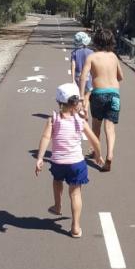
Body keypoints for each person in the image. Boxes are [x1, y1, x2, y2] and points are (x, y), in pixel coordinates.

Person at [35, 83, 103, 238]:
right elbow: (95, 141)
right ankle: (75, 227)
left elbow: (46, 137)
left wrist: (40, 158)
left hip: (58, 162)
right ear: (76, 102)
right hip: (76, 163)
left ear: (59, 102)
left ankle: (58, 205)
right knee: (75, 193)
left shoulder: (53, 119)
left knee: (57, 180)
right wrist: (98, 155)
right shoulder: (80, 121)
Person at [79, 26, 124, 172]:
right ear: (111, 42)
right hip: (115, 95)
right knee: (110, 128)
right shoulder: (114, 57)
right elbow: (121, 77)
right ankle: (109, 155)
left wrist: (81, 97)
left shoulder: (92, 57)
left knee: (96, 126)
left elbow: (83, 77)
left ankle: (95, 152)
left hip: (98, 94)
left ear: (96, 42)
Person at [70, 30, 93, 117]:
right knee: (87, 95)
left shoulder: (74, 52)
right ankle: (85, 108)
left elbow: (73, 65)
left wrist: (72, 79)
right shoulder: (91, 52)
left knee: (80, 95)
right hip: (88, 76)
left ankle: (80, 111)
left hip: (78, 76)